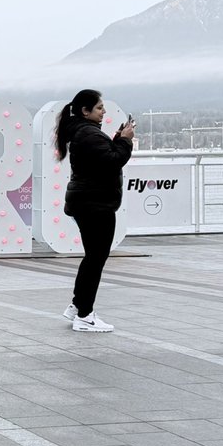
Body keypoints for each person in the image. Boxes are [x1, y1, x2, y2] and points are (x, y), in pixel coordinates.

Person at [54, 89, 135, 332]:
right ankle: (85, 315)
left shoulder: (83, 132)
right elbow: (113, 160)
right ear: (85, 111)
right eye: (99, 108)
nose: (103, 112)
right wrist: (126, 140)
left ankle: (78, 305)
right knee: (96, 258)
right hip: (95, 204)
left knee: (93, 256)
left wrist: (117, 139)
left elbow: (102, 158)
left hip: (87, 202)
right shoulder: (88, 133)